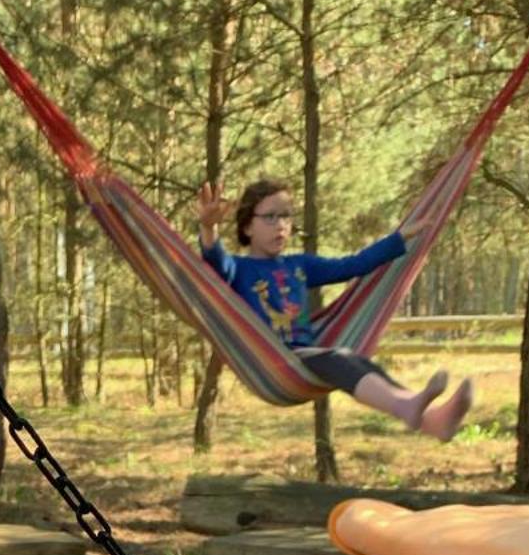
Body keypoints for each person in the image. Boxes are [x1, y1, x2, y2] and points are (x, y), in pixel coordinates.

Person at [196, 178, 473, 441]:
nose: (280, 225)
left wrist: (398, 239)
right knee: (340, 357)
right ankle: (411, 408)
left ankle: (431, 419)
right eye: (270, 217)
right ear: (247, 227)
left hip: (308, 357)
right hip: (274, 361)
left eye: (286, 216)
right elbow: (217, 261)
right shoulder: (239, 269)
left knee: (356, 361)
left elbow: (352, 265)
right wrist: (209, 230)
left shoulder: (299, 265)